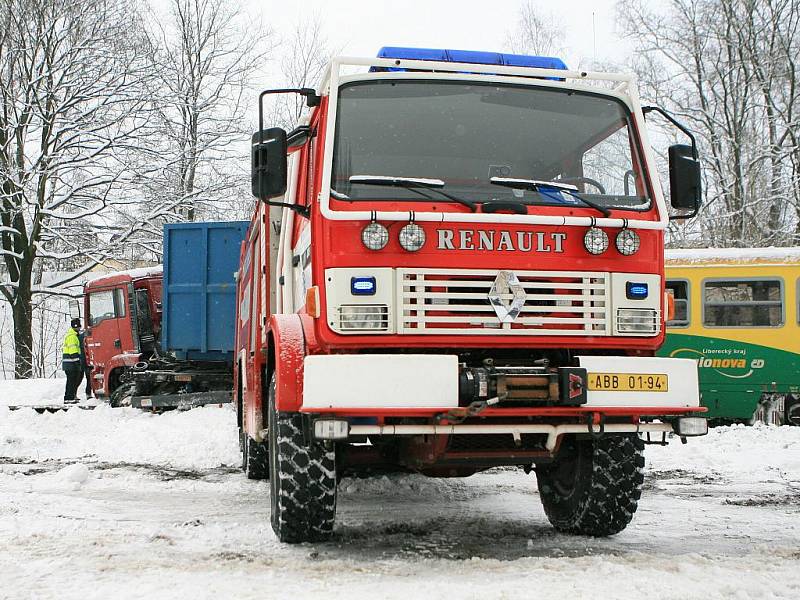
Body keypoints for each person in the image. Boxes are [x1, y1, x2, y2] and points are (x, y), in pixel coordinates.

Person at [62, 317, 83, 404]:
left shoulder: (73, 335)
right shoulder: (72, 337)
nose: (79, 328)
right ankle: (69, 398)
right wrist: (78, 362)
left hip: (70, 363)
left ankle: (71, 396)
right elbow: (73, 351)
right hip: (71, 364)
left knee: (73, 380)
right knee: (71, 381)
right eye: (78, 327)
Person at [78, 325, 93, 399]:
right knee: (89, 378)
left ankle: (74, 394)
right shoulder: (90, 336)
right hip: (87, 359)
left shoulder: (80, 336)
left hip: (82, 360)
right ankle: (88, 394)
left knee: (80, 378)